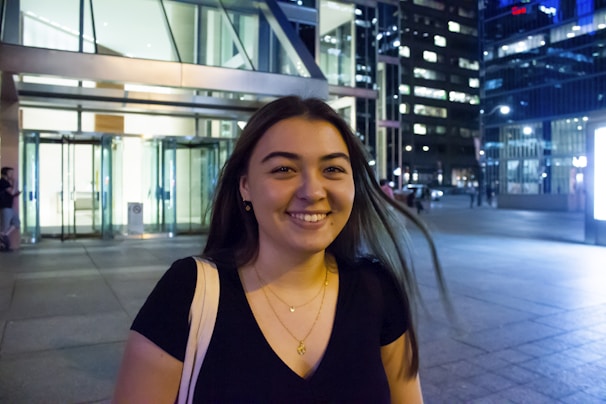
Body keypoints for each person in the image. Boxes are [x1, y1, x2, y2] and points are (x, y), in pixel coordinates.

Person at [113, 96, 447, 403]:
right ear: (245, 186)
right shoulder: (188, 292)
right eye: (284, 169)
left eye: (332, 169)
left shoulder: (377, 290)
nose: (312, 190)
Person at [0, 167, 21, 251]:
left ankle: (4, 235)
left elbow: (12, 193)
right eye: (10, 173)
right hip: (5, 207)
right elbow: (11, 192)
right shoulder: (2, 182)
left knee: (16, 223)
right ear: (5, 174)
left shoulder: (7, 183)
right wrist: (15, 182)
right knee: (5, 226)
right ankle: (3, 246)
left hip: (10, 206)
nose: (12, 175)